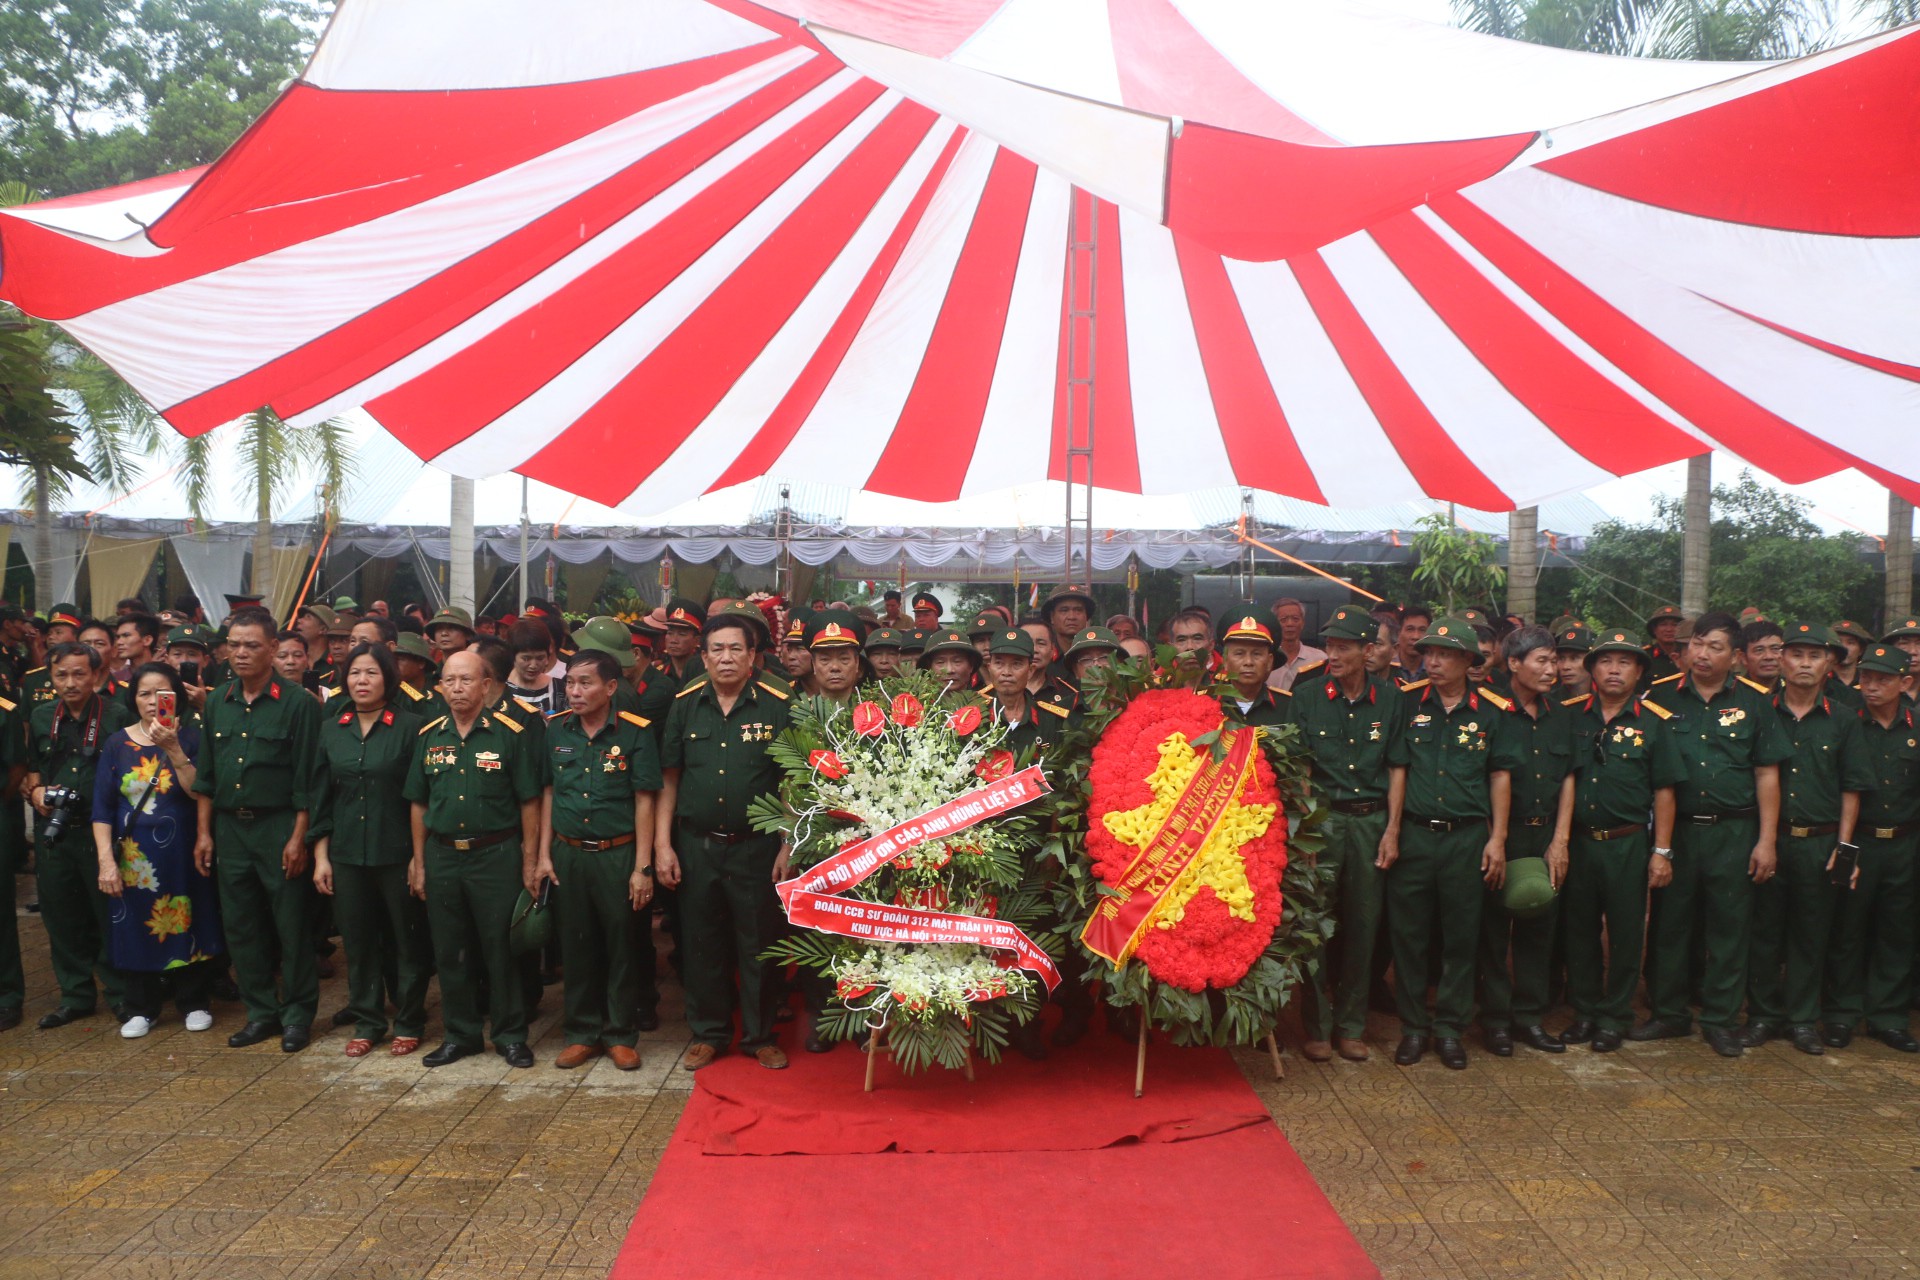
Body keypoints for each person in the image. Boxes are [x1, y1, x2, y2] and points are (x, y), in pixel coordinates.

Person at [1630, 612, 1791, 1057]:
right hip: (1675, 831)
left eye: (1714, 646)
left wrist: (1767, 840)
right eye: (1697, 643)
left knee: (1729, 927)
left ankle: (1720, 1018)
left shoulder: (1757, 702)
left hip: (1734, 831)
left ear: (1736, 657)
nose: (1701, 653)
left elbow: (1766, 774)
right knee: (1669, 925)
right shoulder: (1659, 697)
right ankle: (1668, 1013)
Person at [1383, 616, 1521, 1070]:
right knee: (1410, 936)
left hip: (1466, 838)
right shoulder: (1406, 704)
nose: (1433, 661)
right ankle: (1414, 1028)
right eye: (1428, 653)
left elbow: (1499, 776)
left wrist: (1497, 839)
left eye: (1444, 654)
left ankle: (1449, 1030)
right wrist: (1393, 829)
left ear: (1467, 660)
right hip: (1417, 836)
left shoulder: (1492, 711)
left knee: (1462, 938)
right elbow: (1398, 769)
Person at [657, 615, 793, 1071]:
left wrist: (787, 844)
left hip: (757, 846)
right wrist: (663, 845)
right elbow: (669, 778)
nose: (726, 657)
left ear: (753, 656)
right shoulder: (684, 704)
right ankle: (709, 1033)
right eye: (717, 649)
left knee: (759, 942)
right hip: (696, 844)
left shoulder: (778, 703)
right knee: (701, 942)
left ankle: (759, 1036)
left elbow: (792, 780)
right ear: (704, 655)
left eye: (736, 649)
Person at [191, 606, 326, 1053]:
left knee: (291, 926)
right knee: (242, 926)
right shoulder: (217, 701)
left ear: (272, 649)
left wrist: (298, 837)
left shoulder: (299, 704)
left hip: (278, 826)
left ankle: (297, 1015)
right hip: (231, 829)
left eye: (252, 645)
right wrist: (205, 833)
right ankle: (261, 1013)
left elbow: (309, 779)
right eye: (234, 645)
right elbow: (207, 776)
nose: (241, 654)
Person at [406, 651, 545, 1068]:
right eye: (449, 681)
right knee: (450, 949)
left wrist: (529, 858)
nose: (457, 689)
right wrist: (418, 861)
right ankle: (461, 1034)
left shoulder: (509, 733)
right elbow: (417, 803)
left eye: (466, 680)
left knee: (500, 949)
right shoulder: (430, 735)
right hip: (443, 854)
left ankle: (510, 1035)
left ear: (486, 685)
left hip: (496, 854)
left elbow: (530, 802)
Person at [1736, 623, 1869, 1055]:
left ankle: (1802, 1020)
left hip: (1821, 841)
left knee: (1811, 933)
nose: (1805, 664)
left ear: (1829, 663)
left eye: (1815, 656)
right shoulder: (1758, 710)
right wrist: (1762, 840)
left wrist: (1844, 849)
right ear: (1781, 660)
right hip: (1768, 839)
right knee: (1764, 931)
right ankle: (1762, 1016)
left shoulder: (1845, 720)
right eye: (1796, 655)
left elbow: (1852, 787)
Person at [1558, 631, 1683, 1052]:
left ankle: (1614, 1016)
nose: (1614, 669)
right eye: (1606, 661)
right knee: (1579, 932)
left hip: (1628, 843)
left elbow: (1665, 791)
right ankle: (1586, 1012)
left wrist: (1661, 851)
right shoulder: (1571, 716)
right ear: (1592, 670)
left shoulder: (1653, 721)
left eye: (1625, 662)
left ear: (1640, 672)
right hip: (1579, 842)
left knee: (1627, 933)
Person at [538, 649, 659, 1071]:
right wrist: (542, 857)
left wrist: (643, 866)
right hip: (568, 853)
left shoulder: (635, 733)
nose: (575, 691)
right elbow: (548, 794)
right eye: (570, 682)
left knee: (621, 944)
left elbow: (645, 799)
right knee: (575, 944)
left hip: (617, 853)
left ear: (610, 687)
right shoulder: (555, 731)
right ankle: (581, 1032)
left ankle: (620, 1034)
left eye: (585, 683)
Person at [1289, 606, 1400, 1063]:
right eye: (1330, 645)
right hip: (1325, 818)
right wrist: (1308, 831)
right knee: (1314, 924)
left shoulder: (1392, 699)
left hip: (1371, 821)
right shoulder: (1309, 694)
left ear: (1367, 650)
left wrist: (1393, 829)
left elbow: (1397, 767)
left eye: (1343, 647)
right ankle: (1317, 1025)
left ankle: (1352, 1024)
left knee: (1363, 922)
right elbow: (1300, 769)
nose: (1332, 654)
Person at [312, 644, 432, 1058]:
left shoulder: (413, 726)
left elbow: (421, 797)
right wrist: (321, 857)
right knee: (358, 942)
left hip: (397, 851)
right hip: (346, 853)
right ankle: (368, 1020)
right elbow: (321, 799)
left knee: (407, 940)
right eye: (355, 673)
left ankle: (411, 1019)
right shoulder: (331, 728)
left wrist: (420, 858)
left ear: (388, 679)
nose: (361, 681)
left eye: (371, 673)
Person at [90, 663, 222, 1038]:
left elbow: (200, 791)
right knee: (133, 925)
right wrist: (105, 861)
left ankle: (193, 1001)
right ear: (133, 698)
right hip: (134, 857)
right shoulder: (117, 743)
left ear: (175, 697)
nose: (152, 702)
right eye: (144, 694)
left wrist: (174, 748)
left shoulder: (193, 737)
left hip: (183, 852)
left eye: (161, 693)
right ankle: (141, 1008)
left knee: (187, 920)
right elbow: (103, 808)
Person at [1476, 626, 1577, 1057]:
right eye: (1542, 660)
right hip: (1500, 833)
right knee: (1494, 932)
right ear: (1513, 663)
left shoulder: (1561, 715)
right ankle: (1495, 1021)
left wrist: (1560, 840)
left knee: (1540, 926)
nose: (1552, 669)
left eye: (1554, 661)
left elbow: (1570, 776)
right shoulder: (1488, 711)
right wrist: (1492, 841)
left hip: (1544, 833)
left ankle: (1529, 1019)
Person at [26, 641, 135, 1026]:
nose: (70, 683)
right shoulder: (41, 716)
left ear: (95, 675)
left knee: (105, 914)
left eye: (78, 674)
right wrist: (34, 789)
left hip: (98, 831)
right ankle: (75, 994)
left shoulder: (116, 714)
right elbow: (32, 766)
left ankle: (120, 993)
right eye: (61, 675)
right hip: (54, 831)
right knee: (61, 916)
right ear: (50, 677)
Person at [1825, 644, 1920, 1053]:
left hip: (1905, 842)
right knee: (1848, 928)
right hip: (1857, 839)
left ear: (1906, 683)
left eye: (1883, 679)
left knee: (1897, 930)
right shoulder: (1847, 723)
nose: (1872, 687)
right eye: (1867, 678)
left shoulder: (1917, 726)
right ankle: (1842, 1014)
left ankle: (1888, 1017)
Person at [1218, 617, 1289, 726]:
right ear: (1225, 661)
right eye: (1239, 653)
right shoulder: (1208, 701)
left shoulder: (1287, 706)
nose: (1248, 662)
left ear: (1269, 662)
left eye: (1257, 654)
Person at [1267, 598, 1327, 692]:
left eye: (1295, 619)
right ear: (1275, 624)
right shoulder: (1266, 659)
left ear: (1302, 623)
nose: (1290, 624)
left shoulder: (1319, 658)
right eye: (1283, 620)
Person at [505, 620, 560, 717]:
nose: (533, 665)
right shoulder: (499, 688)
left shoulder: (558, 689)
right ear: (513, 656)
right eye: (526, 658)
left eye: (540, 658)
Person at [806, 619, 864, 706]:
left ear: (857, 663)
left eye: (844, 659)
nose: (835, 667)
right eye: (825, 660)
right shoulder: (800, 715)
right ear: (814, 664)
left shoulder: (873, 714)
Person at [919, 629, 982, 696]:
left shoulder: (987, 705)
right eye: (940, 662)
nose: (949, 670)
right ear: (929, 667)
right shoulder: (914, 705)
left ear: (971, 665)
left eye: (957, 661)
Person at [1641, 605, 1687, 688]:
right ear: (1654, 630)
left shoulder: (1688, 656)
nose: (1669, 629)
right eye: (1663, 624)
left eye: (1674, 625)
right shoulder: (1644, 657)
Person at [1739, 620, 1786, 694]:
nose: (1769, 656)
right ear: (1744, 658)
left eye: (1775, 649)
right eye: (1759, 650)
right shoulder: (1732, 694)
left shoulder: (1793, 690)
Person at [1553, 622, 1592, 699]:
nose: (1565, 666)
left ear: (1591, 661)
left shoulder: (1608, 698)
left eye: (1574, 658)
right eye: (1561, 658)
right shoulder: (1548, 701)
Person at [1395, 606, 1432, 677]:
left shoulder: (1434, 670)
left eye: (1422, 630)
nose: (1416, 637)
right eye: (1410, 629)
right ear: (1398, 632)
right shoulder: (1386, 667)